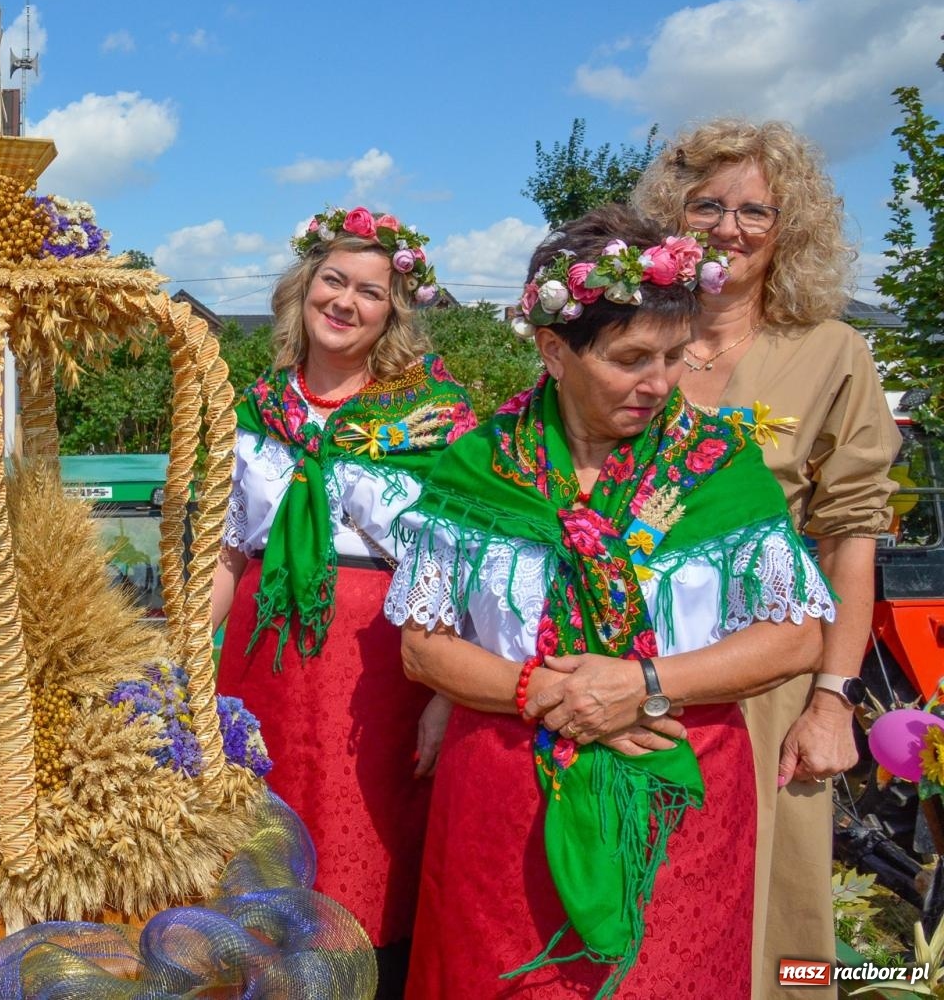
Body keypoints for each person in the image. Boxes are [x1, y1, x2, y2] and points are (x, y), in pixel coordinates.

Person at [389, 206, 829, 998]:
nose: (659, 384)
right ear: (555, 352)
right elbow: (423, 648)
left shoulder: (720, 469)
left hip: (677, 800)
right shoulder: (475, 469)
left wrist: (644, 684)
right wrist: (546, 690)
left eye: (674, 356)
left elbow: (796, 638)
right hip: (505, 800)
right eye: (631, 359)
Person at [633, 120, 901, 995]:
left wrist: (832, 699)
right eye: (707, 204)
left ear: (789, 228)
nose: (729, 227)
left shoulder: (830, 350)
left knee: (778, 903)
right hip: (634, 664)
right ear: (674, 216)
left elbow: (850, 537)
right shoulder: (632, 337)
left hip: (769, 675)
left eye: (755, 210)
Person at [209, 205, 475, 998]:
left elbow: (457, 570)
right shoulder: (249, 408)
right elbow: (224, 552)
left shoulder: (437, 419)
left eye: (370, 291)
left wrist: (443, 697)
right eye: (334, 280)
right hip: (264, 652)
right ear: (303, 289)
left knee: (373, 832)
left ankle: (367, 978)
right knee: (261, 819)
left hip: (384, 663)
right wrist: (184, 660)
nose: (346, 302)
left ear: (394, 311)